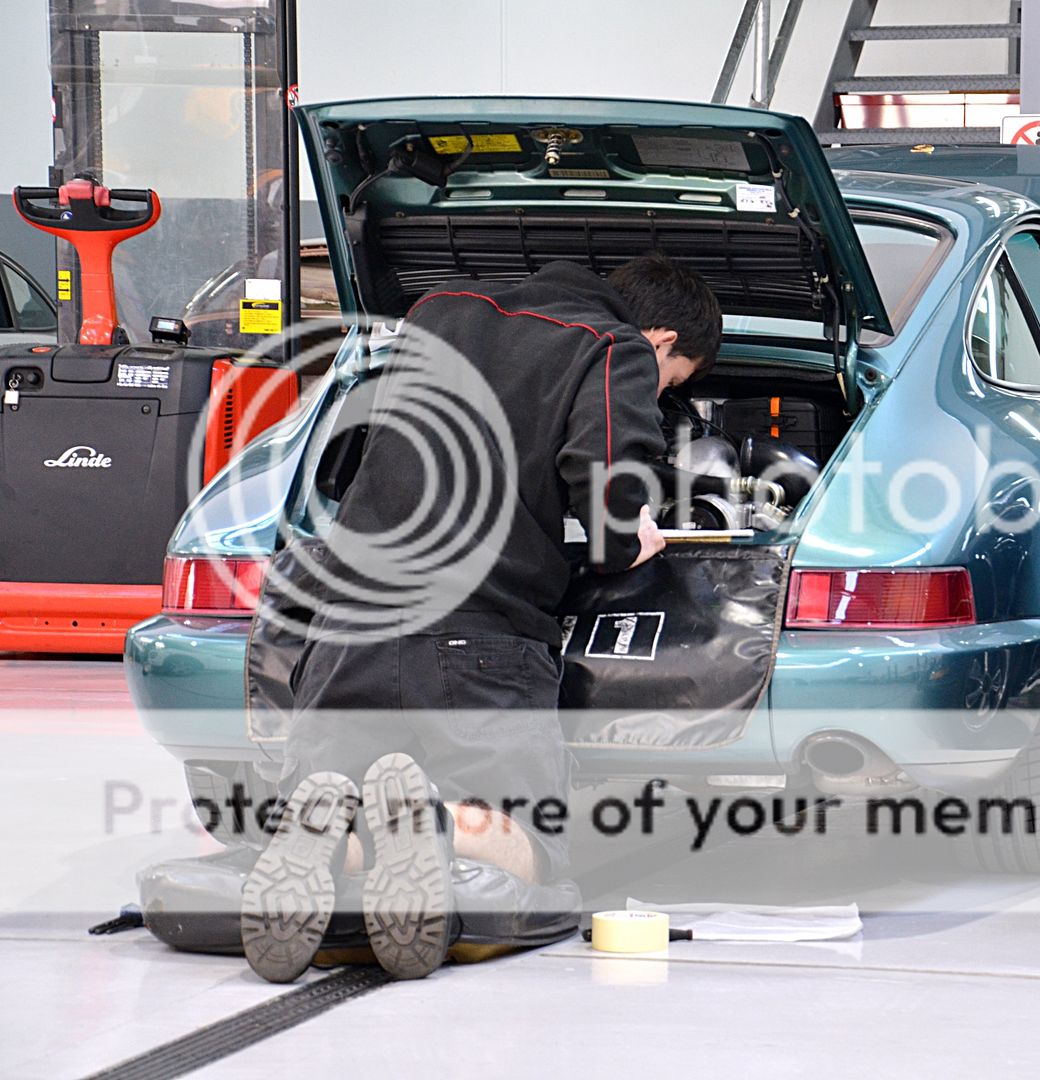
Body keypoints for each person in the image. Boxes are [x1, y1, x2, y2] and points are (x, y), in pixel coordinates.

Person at [240, 253, 721, 982]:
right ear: (661, 341)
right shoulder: (613, 347)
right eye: (672, 381)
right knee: (536, 846)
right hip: (479, 637)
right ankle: (429, 826)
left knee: (333, 797)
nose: (663, 394)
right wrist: (630, 539)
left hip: (345, 626)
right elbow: (606, 481)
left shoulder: (436, 312)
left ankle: (332, 840)